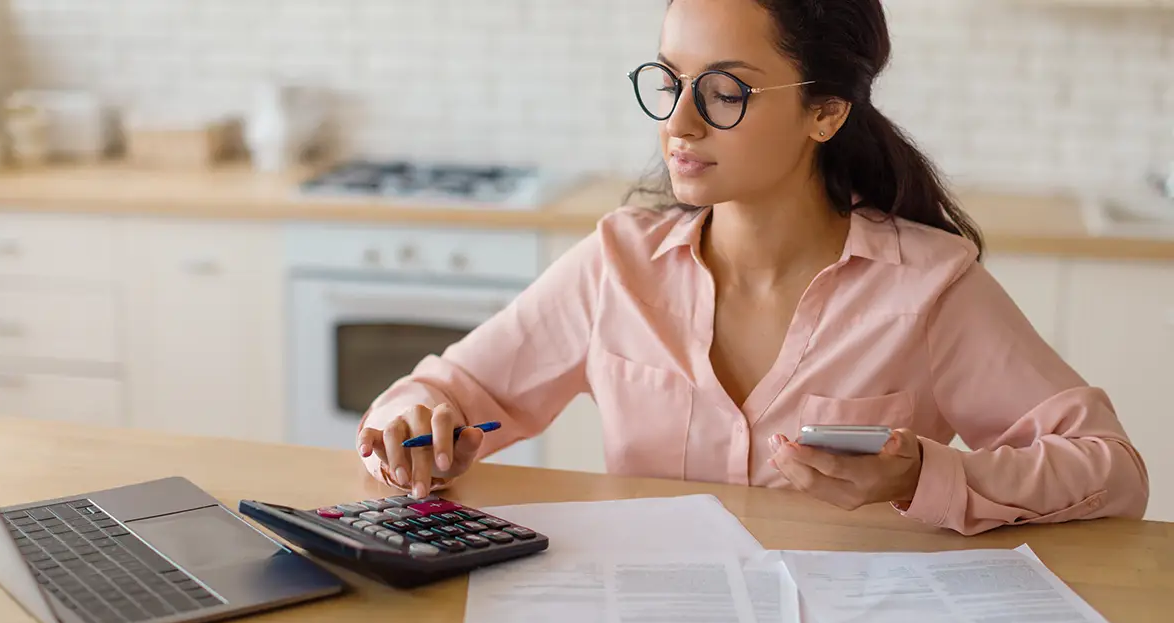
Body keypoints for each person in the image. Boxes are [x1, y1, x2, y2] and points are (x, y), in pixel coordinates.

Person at [356, 0, 1149, 535]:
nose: (679, 122)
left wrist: (921, 478)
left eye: (726, 91)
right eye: (668, 82)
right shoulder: (618, 265)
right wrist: (417, 422)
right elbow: (449, 394)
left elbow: (1113, 473)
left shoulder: (929, 288)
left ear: (826, 112)